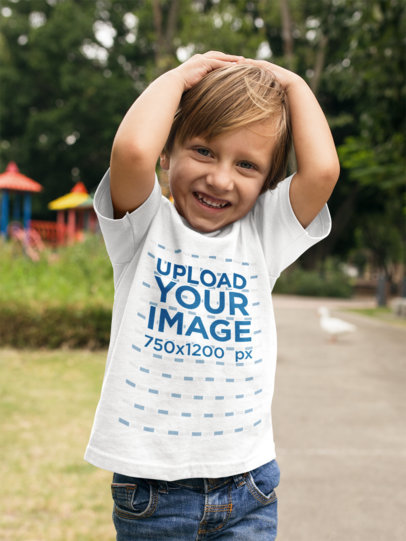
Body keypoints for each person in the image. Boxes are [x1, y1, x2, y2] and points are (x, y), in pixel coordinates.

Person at [85, 51, 339, 540]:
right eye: (203, 151)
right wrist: (179, 78)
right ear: (168, 154)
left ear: (267, 183)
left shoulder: (264, 235)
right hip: (157, 494)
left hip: (250, 486)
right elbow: (132, 152)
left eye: (246, 165)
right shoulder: (142, 225)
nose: (220, 178)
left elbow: (323, 171)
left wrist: (291, 84)